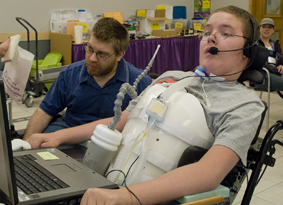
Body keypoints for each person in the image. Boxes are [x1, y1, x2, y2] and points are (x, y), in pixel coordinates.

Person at [26, 5, 265, 204]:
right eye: (207, 31)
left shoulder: (243, 105)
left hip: (145, 198)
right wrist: (59, 137)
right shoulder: (169, 77)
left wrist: (125, 198)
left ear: (249, 51)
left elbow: (209, 173)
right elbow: (121, 120)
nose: (211, 37)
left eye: (225, 32)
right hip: (109, 184)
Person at [23, 17, 152, 142]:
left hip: (110, 141)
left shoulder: (139, 82)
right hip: (68, 131)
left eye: (102, 54)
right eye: (89, 49)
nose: (92, 58)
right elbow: (45, 112)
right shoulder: (70, 74)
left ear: (119, 55)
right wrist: (25, 147)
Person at [254, 17, 283, 90]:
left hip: (276, 74)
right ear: (259, 29)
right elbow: (259, 63)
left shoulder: (275, 45)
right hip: (263, 75)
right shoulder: (255, 44)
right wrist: (277, 72)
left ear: (274, 30)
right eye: (264, 27)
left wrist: (281, 65)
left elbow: (280, 59)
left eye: (270, 27)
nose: (266, 29)